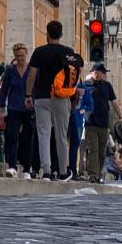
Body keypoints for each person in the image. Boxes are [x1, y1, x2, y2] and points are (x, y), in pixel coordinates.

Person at [25, 20, 80, 181]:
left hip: (42, 97)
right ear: (61, 35)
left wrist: (28, 95)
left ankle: (47, 171)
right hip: (62, 97)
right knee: (61, 136)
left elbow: (32, 76)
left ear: (46, 34)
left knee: (43, 134)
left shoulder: (39, 52)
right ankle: (63, 171)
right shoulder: (68, 52)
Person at [0, 43, 34, 177]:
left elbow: (36, 89)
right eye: (17, 56)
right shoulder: (10, 71)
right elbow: (4, 91)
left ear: (26, 55)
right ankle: (12, 166)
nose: (20, 58)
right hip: (13, 108)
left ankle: (26, 169)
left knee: (27, 139)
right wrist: (0, 109)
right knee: (11, 137)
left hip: (29, 109)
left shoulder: (32, 71)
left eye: (22, 56)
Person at [84, 64, 122, 183]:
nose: (103, 74)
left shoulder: (107, 86)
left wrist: (120, 116)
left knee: (101, 151)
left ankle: (99, 173)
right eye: (101, 72)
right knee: (93, 149)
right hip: (90, 123)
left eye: (103, 73)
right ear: (94, 72)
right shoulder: (86, 85)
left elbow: (114, 102)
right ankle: (93, 175)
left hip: (104, 124)